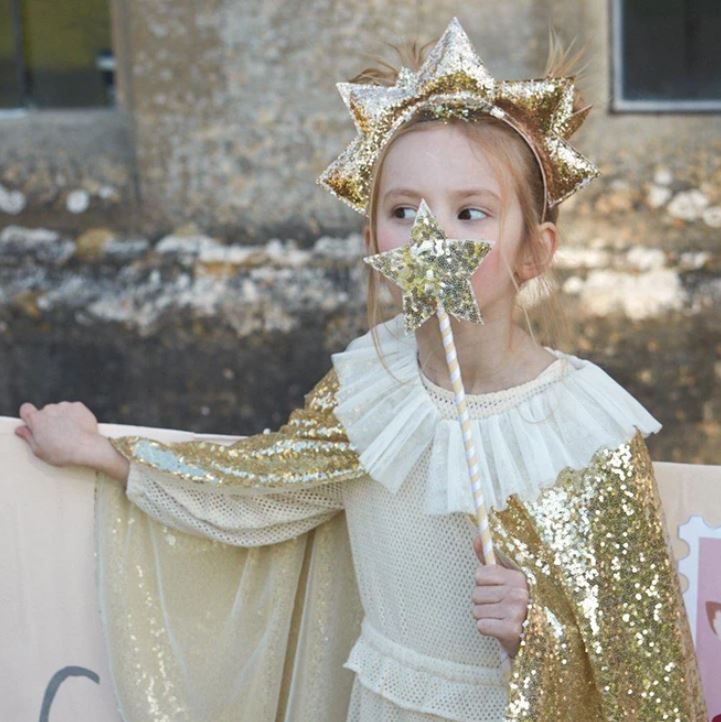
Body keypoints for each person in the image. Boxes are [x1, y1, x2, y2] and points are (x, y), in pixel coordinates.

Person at [14, 17, 707, 722]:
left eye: (470, 212)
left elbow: (641, 671)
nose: (432, 237)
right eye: (404, 210)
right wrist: (107, 454)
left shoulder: (580, 430)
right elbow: (260, 491)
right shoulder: (371, 388)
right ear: (374, 234)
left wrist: (535, 635)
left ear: (534, 249)